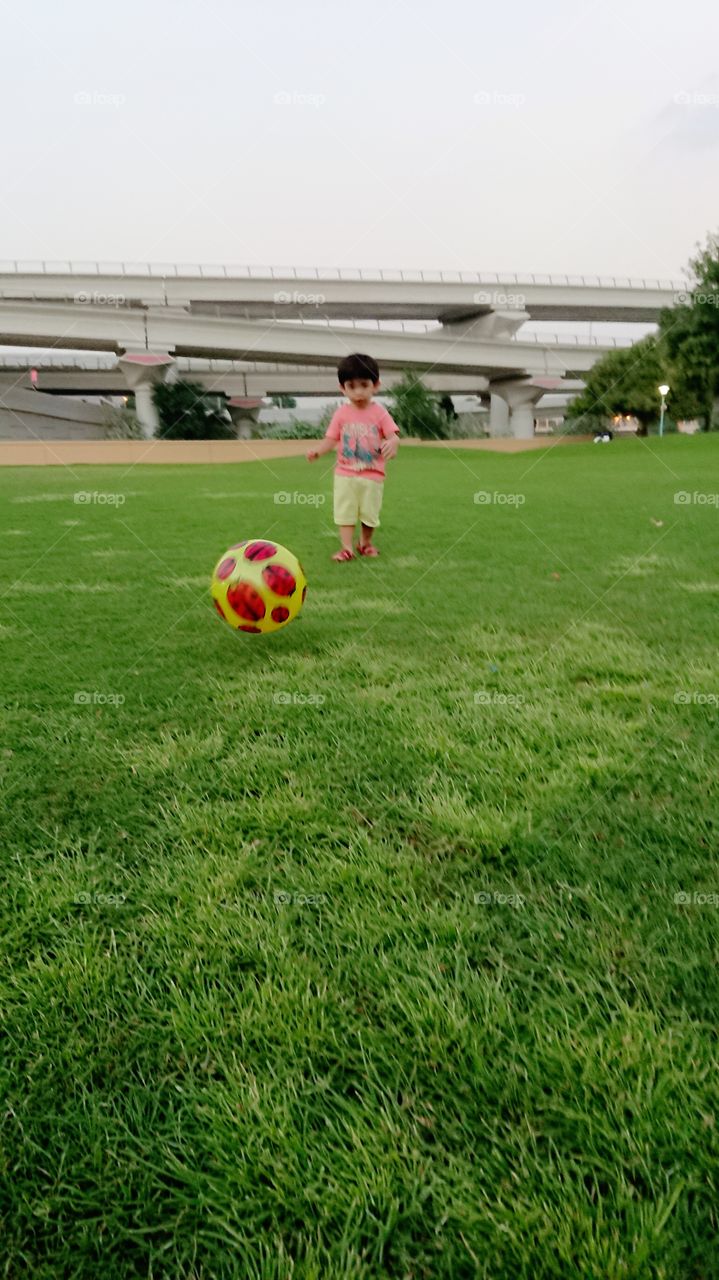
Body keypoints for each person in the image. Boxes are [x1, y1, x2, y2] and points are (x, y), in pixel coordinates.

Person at [306, 353, 400, 561]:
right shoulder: (341, 414)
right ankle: (347, 548)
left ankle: (365, 543)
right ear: (342, 388)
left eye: (364, 385)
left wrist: (393, 442)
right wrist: (318, 451)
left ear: (376, 385)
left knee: (370, 514)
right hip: (345, 473)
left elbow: (393, 435)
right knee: (345, 512)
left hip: (373, 474)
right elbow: (331, 439)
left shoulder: (380, 413)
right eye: (351, 386)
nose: (358, 392)